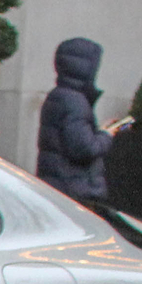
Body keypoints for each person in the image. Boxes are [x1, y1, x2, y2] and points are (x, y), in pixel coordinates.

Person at [36, 37, 115, 202]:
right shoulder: (75, 101)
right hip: (74, 190)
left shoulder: (57, 95)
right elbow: (84, 149)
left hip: (58, 184)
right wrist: (106, 135)